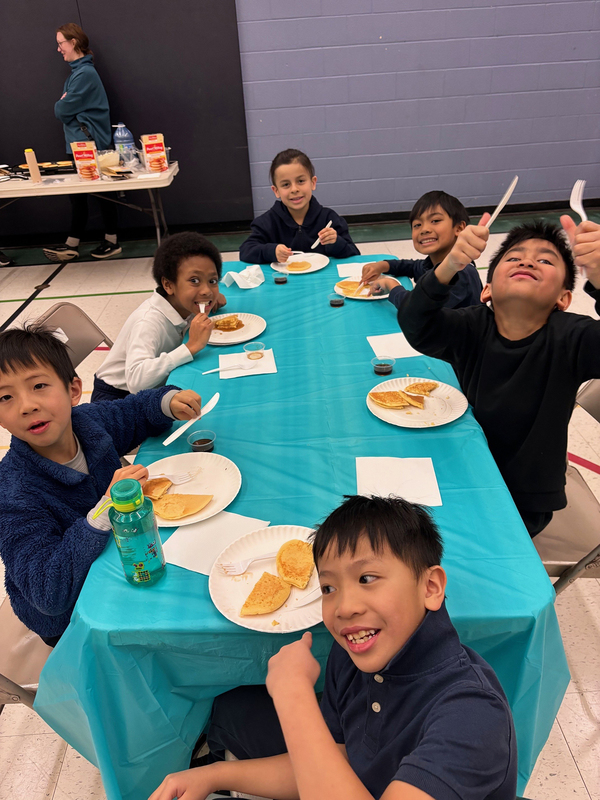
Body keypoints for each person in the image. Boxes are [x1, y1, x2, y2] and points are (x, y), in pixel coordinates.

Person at [150, 495, 517, 800]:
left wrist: (294, 695)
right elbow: (335, 761)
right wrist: (215, 777)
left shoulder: (473, 715)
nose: (343, 607)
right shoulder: (354, 654)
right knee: (228, 709)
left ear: (431, 587)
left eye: (367, 578)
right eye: (328, 588)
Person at [392, 214, 600, 537]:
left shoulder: (571, 338)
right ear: (487, 290)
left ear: (563, 298)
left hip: (522, 501)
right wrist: (448, 266)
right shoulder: (473, 326)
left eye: (545, 260)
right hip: (465, 473)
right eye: (514, 257)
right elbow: (416, 325)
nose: (528, 262)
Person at [0, 323, 201, 645]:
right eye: (5, 397)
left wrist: (168, 401)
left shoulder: (88, 423)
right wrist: (107, 508)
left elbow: (134, 411)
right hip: (76, 617)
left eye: (38, 386)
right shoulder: (12, 492)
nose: (26, 405)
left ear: (73, 390)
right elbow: (47, 592)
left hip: (127, 556)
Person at [92, 232, 226, 402]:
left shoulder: (184, 304)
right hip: (116, 400)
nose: (206, 290)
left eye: (212, 281)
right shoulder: (148, 322)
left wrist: (211, 297)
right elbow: (136, 382)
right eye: (194, 280)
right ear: (168, 285)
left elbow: (205, 292)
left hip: (152, 388)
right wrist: (190, 347)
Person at [43, 23, 121, 263]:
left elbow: (61, 109)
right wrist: (64, 104)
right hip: (78, 145)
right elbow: (65, 108)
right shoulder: (77, 74)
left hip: (88, 145)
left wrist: (62, 104)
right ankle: (73, 243)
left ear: (73, 42)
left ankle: (111, 241)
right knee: (78, 195)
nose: (58, 49)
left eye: (61, 43)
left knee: (101, 194)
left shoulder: (85, 74)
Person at [362, 190, 482, 309]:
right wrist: (383, 265)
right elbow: (413, 267)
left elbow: (418, 310)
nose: (424, 229)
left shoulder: (462, 273)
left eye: (435, 221)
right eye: (417, 225)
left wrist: (391, 286)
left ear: (459, 228)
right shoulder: (431, 264)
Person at [239, 149, 360, 264]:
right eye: (286, 184)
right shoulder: (266, 223)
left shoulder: (330, 219)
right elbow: (246, 251)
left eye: (301, 181)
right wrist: (271, 251)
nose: (295, 189)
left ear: (313, 183)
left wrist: (336, 242)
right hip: (283, 283)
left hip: (322, 282)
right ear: (276, 191)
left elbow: (354, 254)